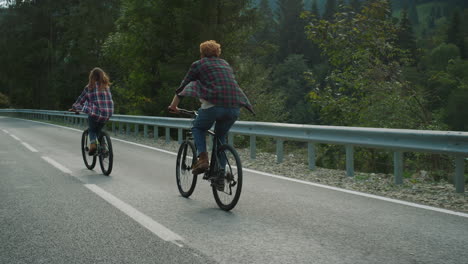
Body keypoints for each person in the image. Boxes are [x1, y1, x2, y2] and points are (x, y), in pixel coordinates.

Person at [168, 40, 253, 188]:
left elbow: (183, 85)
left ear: (201, 53)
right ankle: (220, 175)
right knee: (220, 138)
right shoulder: (225, 64)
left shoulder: (198, 64)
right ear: (217, 53)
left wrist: (173, 106)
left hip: (213, 106)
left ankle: (203, 159)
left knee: (198, 128)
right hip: (235, 106)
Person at [69, 67, 114, 155]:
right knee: (99, 130)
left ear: (92, 77)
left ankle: (93, 144)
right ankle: (104, 147)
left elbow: (80, 100)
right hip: (108, 113)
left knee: (92, 129)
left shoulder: (89, 87)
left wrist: (74, 107)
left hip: (95, 114)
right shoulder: (106, 86)